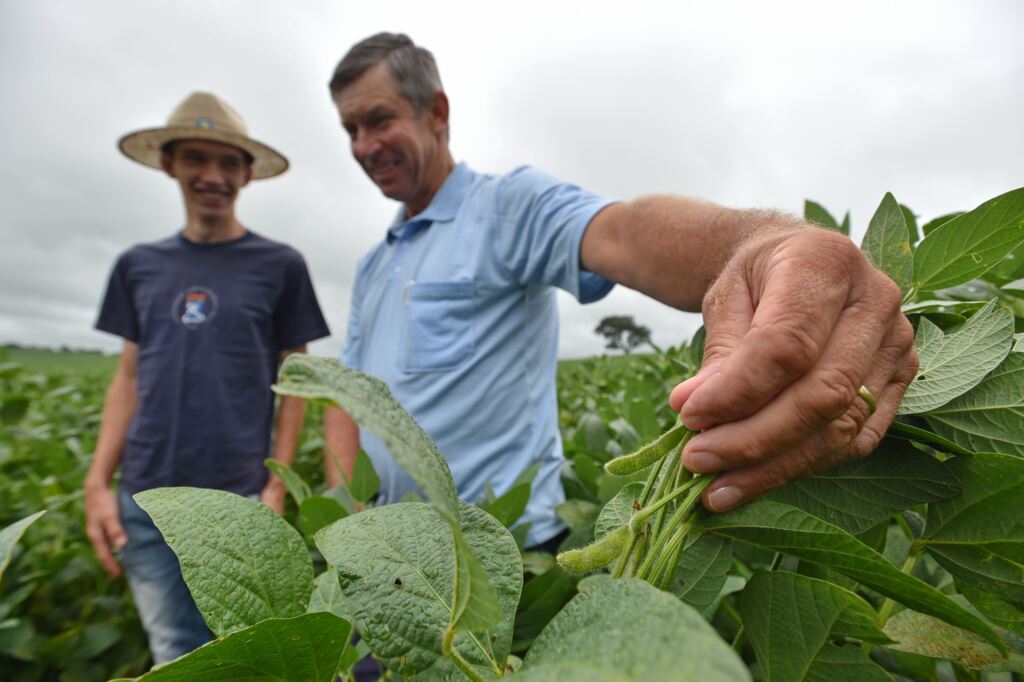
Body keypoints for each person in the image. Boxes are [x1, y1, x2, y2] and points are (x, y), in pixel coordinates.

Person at [323, 33, 917, 552]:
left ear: (436, 111)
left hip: (507, 551)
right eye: (351, 129)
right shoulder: (375, 263)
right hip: (393, 559)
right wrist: (350, 522)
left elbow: (624, 234)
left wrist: (762, 244)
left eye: (379, 120)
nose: (363, 146)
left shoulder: (505, 207)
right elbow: (347, 399)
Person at [84, 92, 330, 665]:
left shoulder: (281, 265)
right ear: (170, 164)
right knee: (174, 655)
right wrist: (98, 482)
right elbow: (128, 377)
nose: (212, 176)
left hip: (238, 499)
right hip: (145, 497)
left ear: (247, 173)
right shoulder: (137, 264)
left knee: (244, 656)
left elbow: (296, 383)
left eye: (228, 163)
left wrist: (277, 483)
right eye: (196, 158)